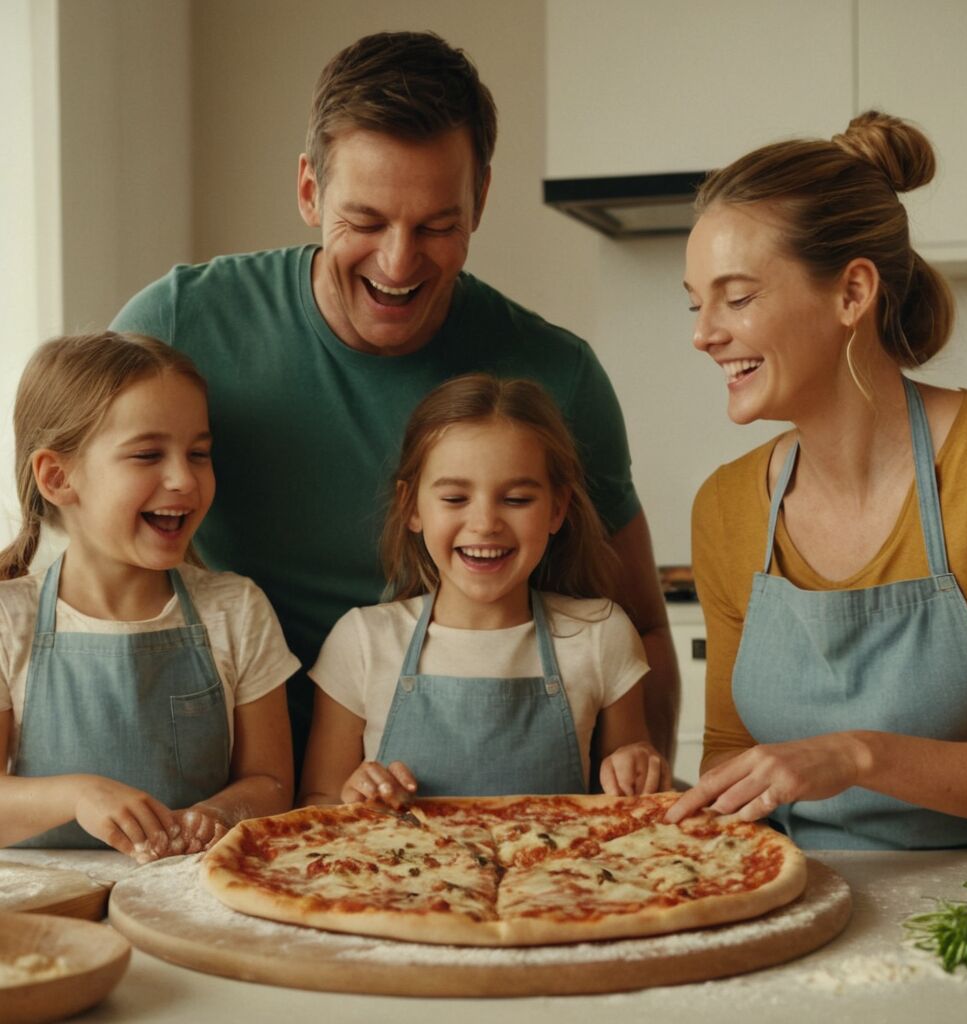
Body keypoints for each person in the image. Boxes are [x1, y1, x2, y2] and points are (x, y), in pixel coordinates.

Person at [109, 31, 678, 772]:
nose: (398, 262)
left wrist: (650, 814)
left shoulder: (557, 375)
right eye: (367, 221)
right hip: (218, 782)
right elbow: (77, 535)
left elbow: (642, 628)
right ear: (310, 190)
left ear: (480, 201)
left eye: (438, 225)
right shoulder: (178, 326)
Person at [666, 111, 967, 849]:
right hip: (794, 905)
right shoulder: (727, 508)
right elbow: (729, 759)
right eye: (695, 302)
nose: (703, 333)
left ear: (852, 293)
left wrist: (860, 756)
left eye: (735, 298)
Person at [300, 374, 668, 805]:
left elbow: (636, 802)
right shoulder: (362, 640)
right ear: (410, 507)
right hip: (400, 873)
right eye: (455, 499)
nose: (485, 523)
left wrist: (638, 765)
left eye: (516, 500)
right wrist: (353, 797)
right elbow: (318, 800)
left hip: (559, 873)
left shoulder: (601, 633)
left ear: (557, 508)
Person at [0, 333, 298, 860]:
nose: (184, 478)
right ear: (57, 476)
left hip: (193, 903)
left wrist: (219, 813)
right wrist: (79, 795)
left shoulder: (236, 610)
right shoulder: (8, 620)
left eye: (199, 453)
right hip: (42, 917)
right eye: (147, 454)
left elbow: (271, 784)